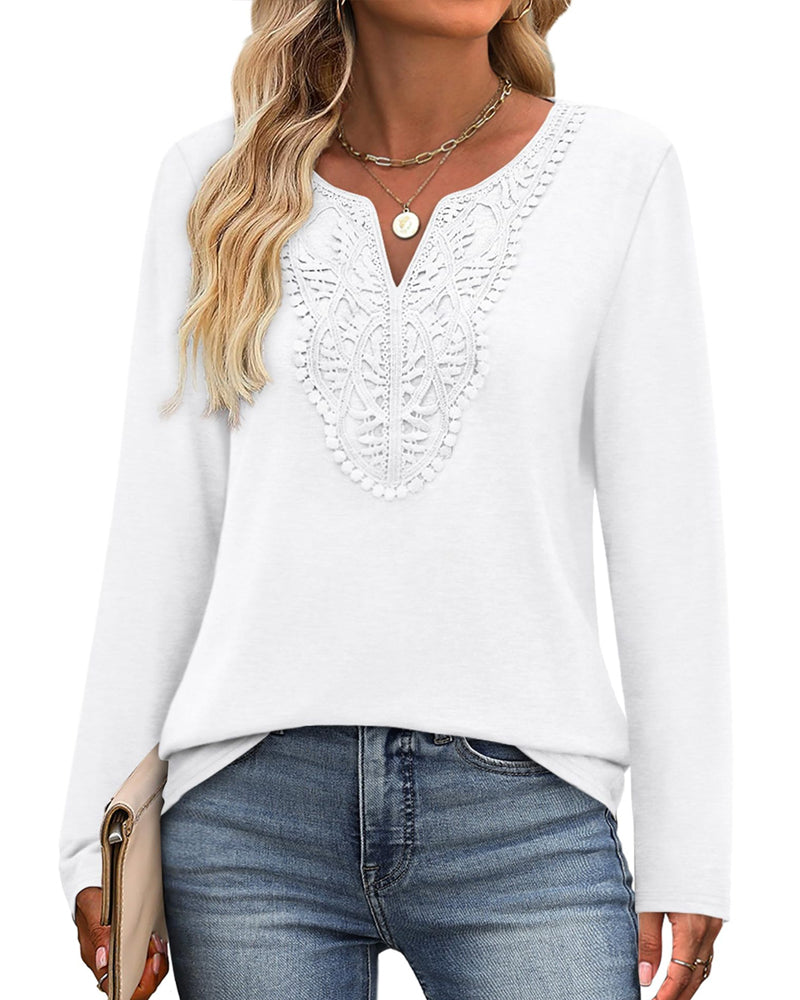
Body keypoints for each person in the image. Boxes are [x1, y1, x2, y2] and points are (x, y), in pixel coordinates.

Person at [58, 1, 732, 998]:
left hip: (527, 821)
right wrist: (97, 835)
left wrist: (689, 846)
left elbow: (666, 532)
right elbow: (162, 526)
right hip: (245, 822)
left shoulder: (618, 172)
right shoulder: (212, 180)